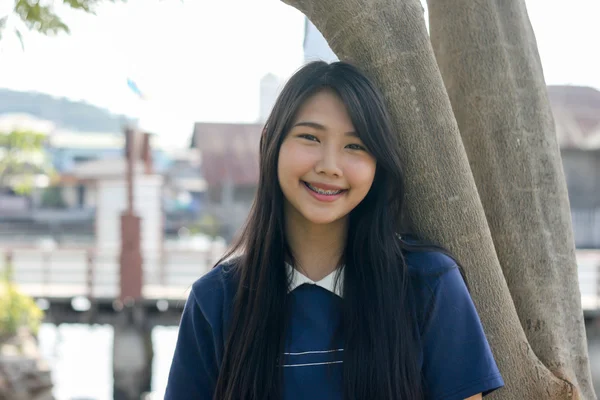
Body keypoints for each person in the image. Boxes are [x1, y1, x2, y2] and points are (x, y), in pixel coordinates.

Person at [164, 61, 504, 400]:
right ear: (271, 142)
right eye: (310, 137)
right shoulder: (215, 301)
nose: (329, 166)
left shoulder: (428, 284)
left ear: (377, 163)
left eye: (355, 146)